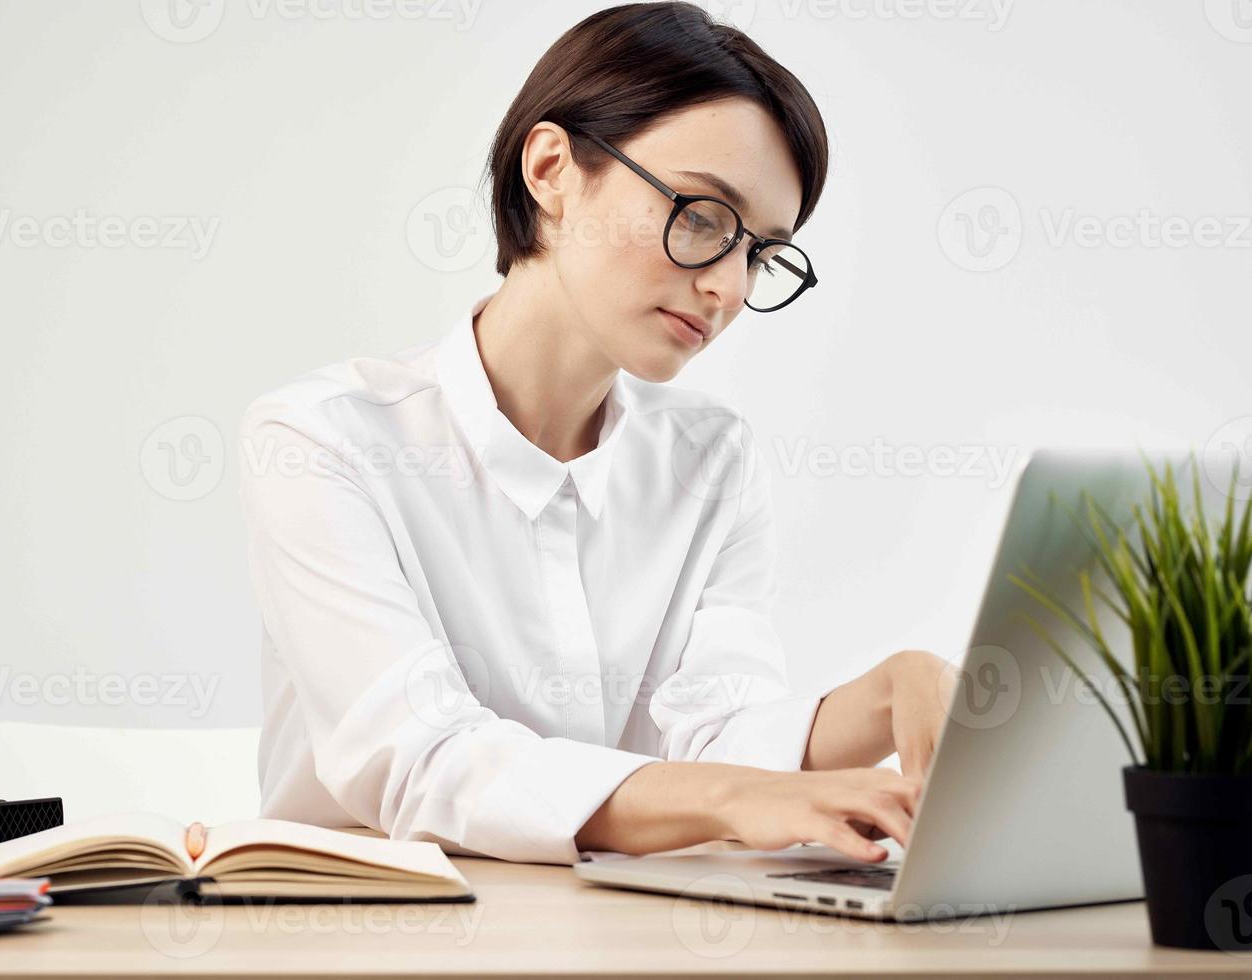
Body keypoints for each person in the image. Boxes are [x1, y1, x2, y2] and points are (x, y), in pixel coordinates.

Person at [239, 1, 961, 866]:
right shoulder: (324, 439)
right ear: (552, 169)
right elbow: (423, 759)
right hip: (368, 931)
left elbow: (719, 731)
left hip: (605, 926)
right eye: (701, 217)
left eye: (761, 255)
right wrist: (738, 800)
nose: (728, 289)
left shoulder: (711, 460)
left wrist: (885, 697)